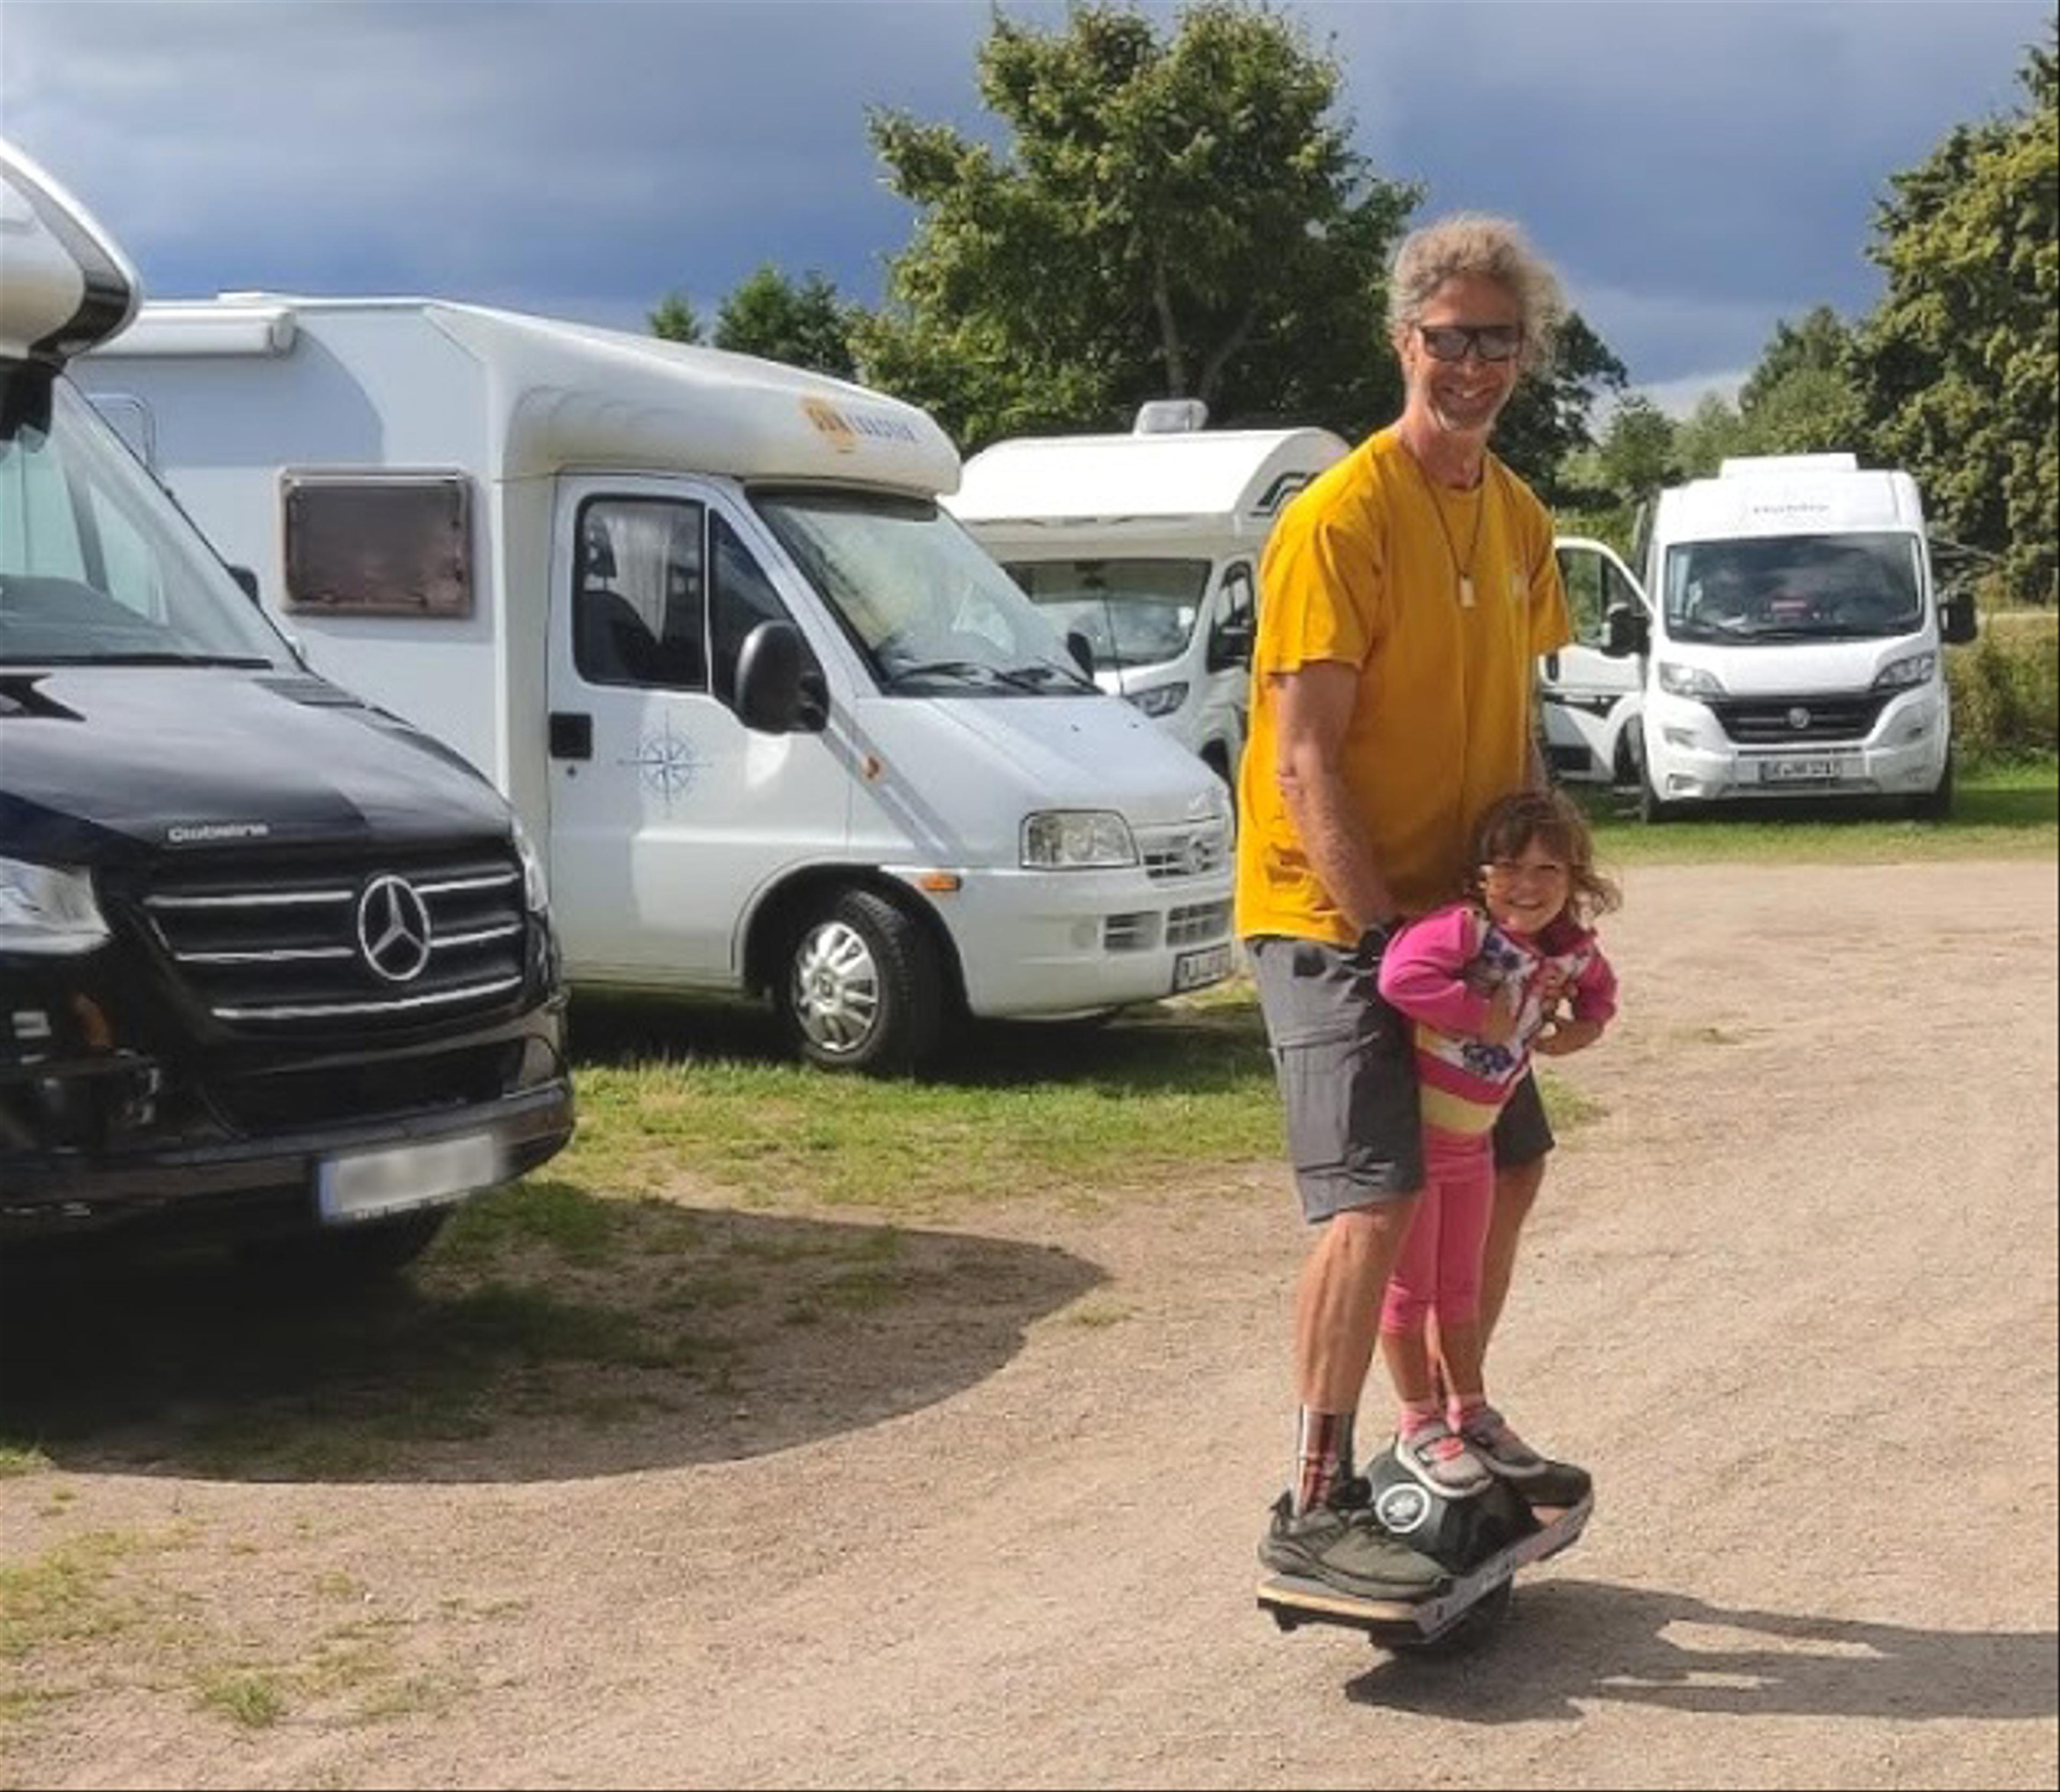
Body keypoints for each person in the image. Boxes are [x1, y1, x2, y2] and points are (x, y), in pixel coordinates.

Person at [1236, 212, 1575, 1599]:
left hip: (1469, 923)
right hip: (1334, 918)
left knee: (1508, 1161)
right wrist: (1386, 942)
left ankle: (1452, 1416)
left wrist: (1544, 917)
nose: (1476, 363)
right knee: (1372, 1196)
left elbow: (1522, 725)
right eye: (1453, 338)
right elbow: (1309, 753)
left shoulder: (1520, 515)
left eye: (1501, 339)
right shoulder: (1340, 518)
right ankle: (1315, 1494)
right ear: (1405, 342)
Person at [1375, 787, 1618, 1496]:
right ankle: (1417, 1419)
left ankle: (1469, 1408)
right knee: (1410, 1288)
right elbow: (1400, 975)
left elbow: (1602, 993)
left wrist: (1585, 1028)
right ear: (1479, 876)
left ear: (1575, 882)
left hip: (1473, 1150)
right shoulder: (1465, 930)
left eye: (1551, 871)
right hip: (1420, 1145)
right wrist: (1474, 1012)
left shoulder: (1567, 955)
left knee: (1462, 1284)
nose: (1529, 886)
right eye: (1511, 867)